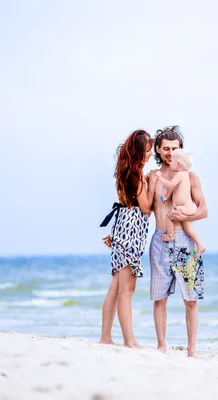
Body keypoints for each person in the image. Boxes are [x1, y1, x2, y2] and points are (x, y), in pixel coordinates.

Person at [149, 126, 208, 357]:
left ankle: (191, 349)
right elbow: (144, 208)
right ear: (158, 149)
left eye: (175, 149)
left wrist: (186, 216)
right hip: (160, 239)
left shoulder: (191, 176)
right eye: (166, 149)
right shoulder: (153, 176)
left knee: (191, 299)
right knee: (159, 297)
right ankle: (161, 346)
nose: (171, 153)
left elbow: (204, 210)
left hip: (185, 240)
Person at [98, 129, 158, 347]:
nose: (150, 155)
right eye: (148, 151)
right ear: (138, 151)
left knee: (115, 287)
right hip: (131, 234)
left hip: (124, 228)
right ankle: (129, 341)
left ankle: (106, 337)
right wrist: (153, 183)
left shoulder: (124, 172)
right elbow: (145, 207)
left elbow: (127, 206)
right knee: (126, 290)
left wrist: (115, 234)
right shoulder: (137, 175)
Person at [155, 148, 206, 259]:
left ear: (178, 164)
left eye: (172, 160)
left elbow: (170, 185)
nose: (170, 162)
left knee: (169, 215)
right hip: (187, 207)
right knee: (189, 229)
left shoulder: (180, 174)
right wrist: (166, 197)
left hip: (184, 208)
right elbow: (173, 190)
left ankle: (169, 235)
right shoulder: (184, 175)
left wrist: (160, 178)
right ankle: (200, 245)